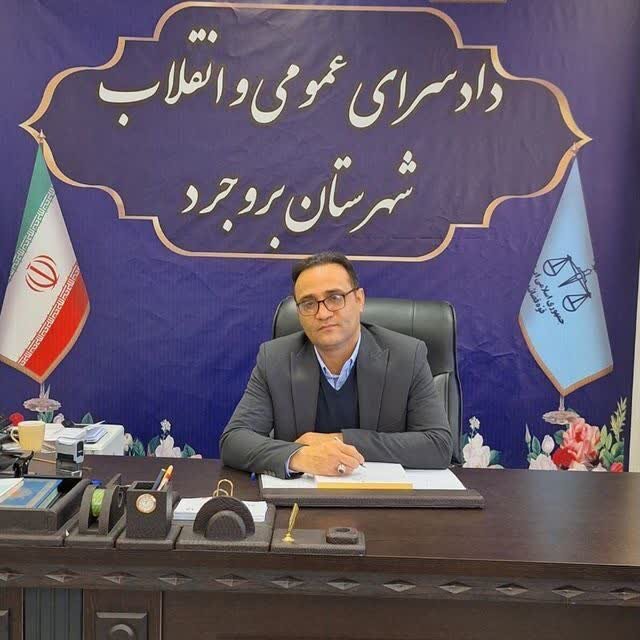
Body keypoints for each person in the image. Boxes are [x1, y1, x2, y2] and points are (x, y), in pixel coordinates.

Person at [220, 251, 452, 479]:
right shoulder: (274, 359)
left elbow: (438, 444)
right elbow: (234, 440)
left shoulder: (407, 356)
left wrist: (339, 441)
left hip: (384, 496)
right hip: (301, 498)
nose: (323, 313)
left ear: (359, 300)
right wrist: (300, 456)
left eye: (334, 298)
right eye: (308, 303)